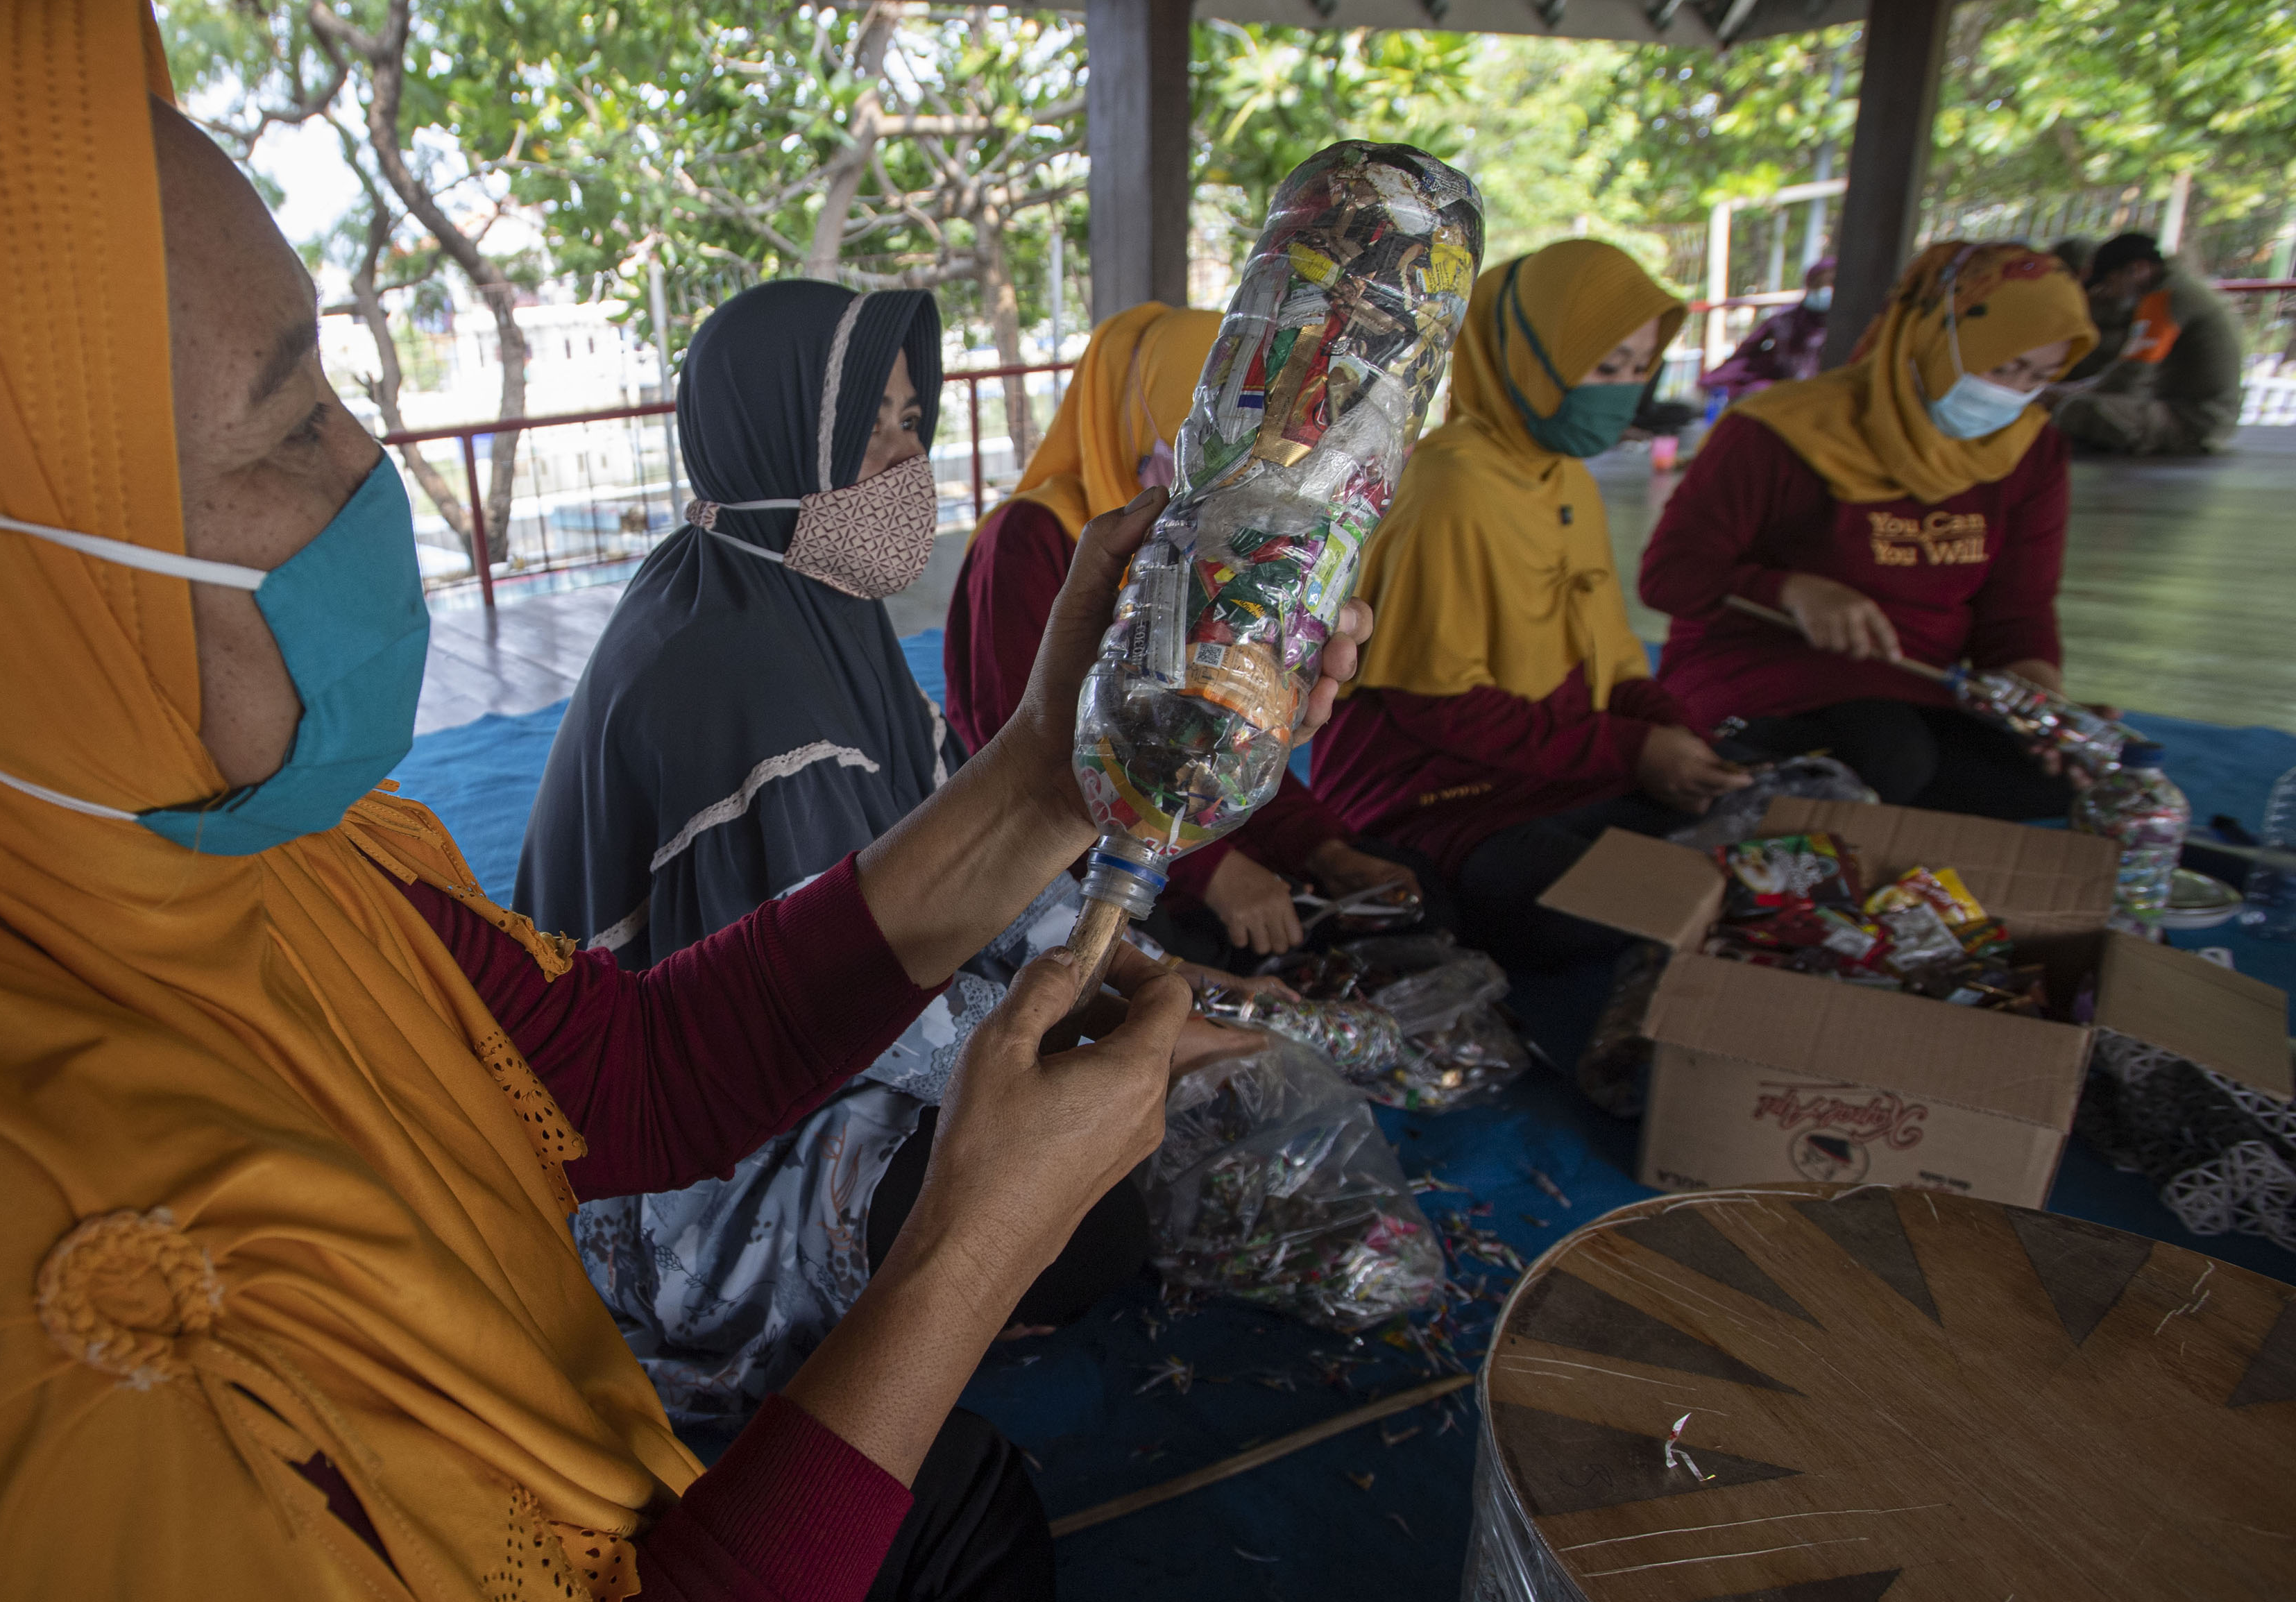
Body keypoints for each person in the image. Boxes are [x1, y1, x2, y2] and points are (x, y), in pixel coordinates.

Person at [0, 0, 1375, 1602]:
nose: (371, 465)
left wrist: (1053, 767)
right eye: (289, 423)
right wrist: (975, 1243)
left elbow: (631, 1074)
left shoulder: (239, 858)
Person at [517, 280, 1238, 1441]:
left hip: (776, 1055)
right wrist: (1115, 1028)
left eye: (914, 420)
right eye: (874, 430)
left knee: (1130, 1051)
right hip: (667, 1169)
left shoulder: (797, 591)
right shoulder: (741, 675)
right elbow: (841, 996)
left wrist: (1128, 966)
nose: (913, 459)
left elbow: (962, 840)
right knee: (1087, 1197)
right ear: (775, 438)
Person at [1307, 241, 1749, 974]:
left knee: (1717, 835)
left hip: (1548, 762)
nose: (1624, 388)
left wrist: (1671, 733)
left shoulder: (1563, 478)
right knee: (1597, 908)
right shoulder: (1453, 485)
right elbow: (1439, 710)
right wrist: (1634, 750)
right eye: (1604, 367)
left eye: (1638, 367)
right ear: (1525, 357)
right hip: (1435, 786)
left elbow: (1606, 659)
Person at [943, 302, 1425, 957]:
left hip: (1173, 837)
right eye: (1199, 444)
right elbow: (1021, 747)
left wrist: (1323, 847)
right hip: (1060, 865)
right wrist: (1219, 875)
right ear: (1141, 424)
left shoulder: (1225, 548)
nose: (1228, 477)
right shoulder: (1031, 540)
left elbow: (1222, 745)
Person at [1642, 242, 2102, 819]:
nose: (2009, 394)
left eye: (2037, 376)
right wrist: (1791, 591)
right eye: (2001, 366)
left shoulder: (2031, 452)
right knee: (1886, 756)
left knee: (2061, 776)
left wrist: (2043, 711)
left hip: (1921, 685)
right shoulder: (1778, 431)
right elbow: (1669, 577)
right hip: (1763, 674)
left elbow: (2017, 616)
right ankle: (1764, 779)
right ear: (1935, 334)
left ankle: (1823, 802)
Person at [2052, 231, 2244, 455]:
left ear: (2137, 269)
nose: (2108, 292)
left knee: (2074, 410)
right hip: (2203, 413)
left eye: (2110, 281)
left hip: (2195, 420)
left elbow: (2131, 375)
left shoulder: (2166, 298)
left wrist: (2066, 394)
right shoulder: (2177, 289)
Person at [1702, 256, 1839, 398]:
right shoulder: (1786, 318)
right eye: (1818, 284)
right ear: (1809, 285)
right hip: (1784, 389)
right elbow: (1747, 349)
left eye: (1831, 283)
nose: (1825, 290)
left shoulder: (1845, 324)